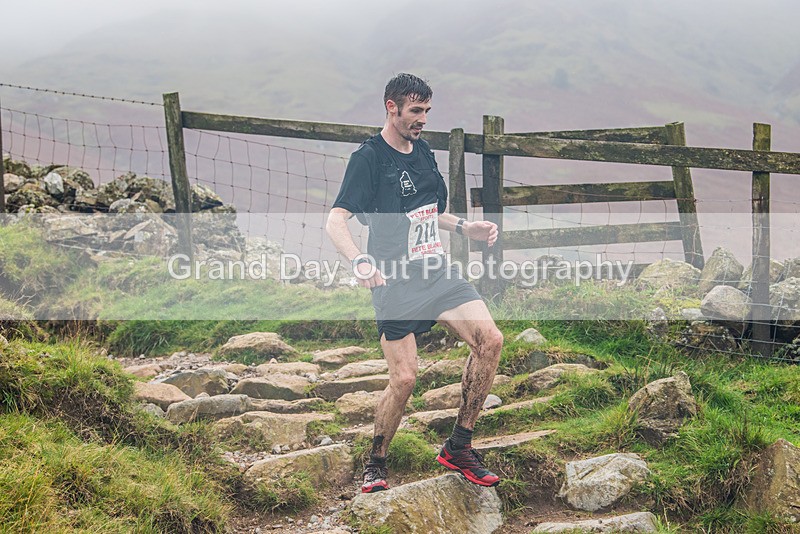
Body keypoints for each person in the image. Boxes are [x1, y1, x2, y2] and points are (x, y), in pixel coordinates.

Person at [325, 73, 504, 493]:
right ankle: (377, 460)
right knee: (404, 379)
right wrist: (360, 261)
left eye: (427, 111)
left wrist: (465, 227)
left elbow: (428, 211)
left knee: (490, 341)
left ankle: (459, 445)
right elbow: (336, 220)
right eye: (415, 111)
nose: (423, 119)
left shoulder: (422, 151)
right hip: (395, 282)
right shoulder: (368, 159)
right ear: (392, 107)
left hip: (437, 273)